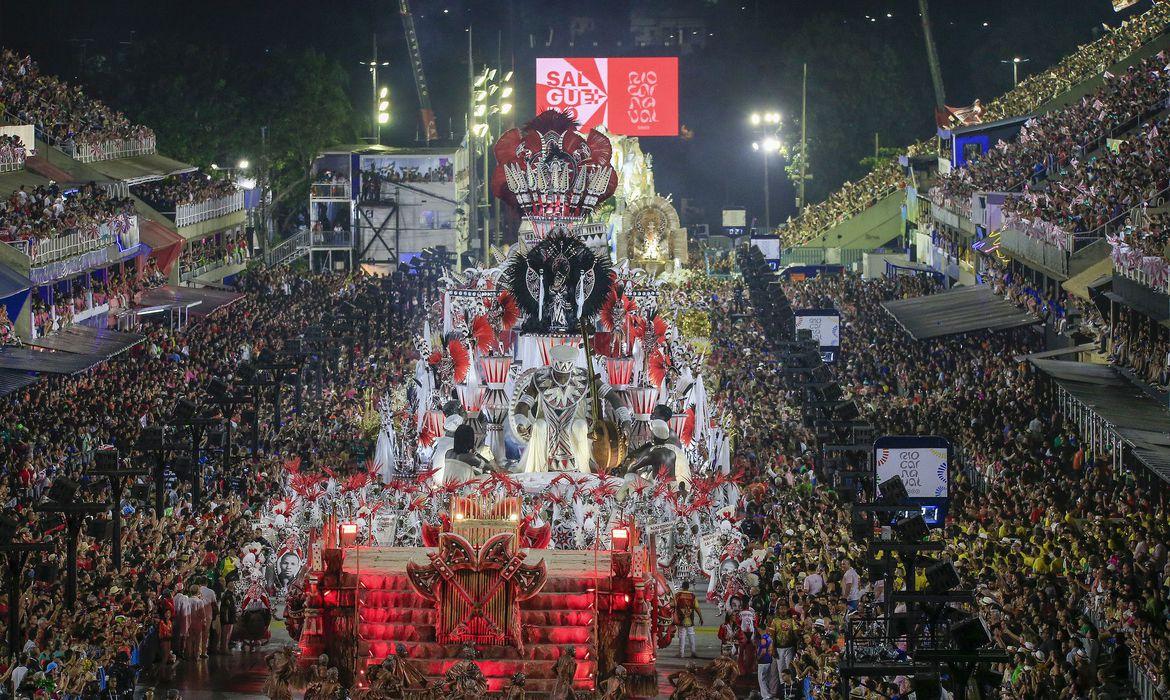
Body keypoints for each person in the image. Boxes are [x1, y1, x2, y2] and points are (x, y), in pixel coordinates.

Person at [675, 580, 703, 658]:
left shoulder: (678, 595)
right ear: (688, 587)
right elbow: (697, 608)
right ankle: (693, 652)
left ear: (682, 587)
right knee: (691, 634)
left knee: (681, 635)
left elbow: (672, 606)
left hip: (681, 618)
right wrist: (701, 617)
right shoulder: (692, 596)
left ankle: (681, 653)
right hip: (690, 618)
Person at [756, 620, 776, 700]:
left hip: (763, 661)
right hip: (769, 660)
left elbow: (763, 651)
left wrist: (758, 658)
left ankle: (765, 696)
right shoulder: (769, 637)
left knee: (761, 679)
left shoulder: (763, 639)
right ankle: (768, 693)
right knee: (767, 678)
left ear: (759, 629)